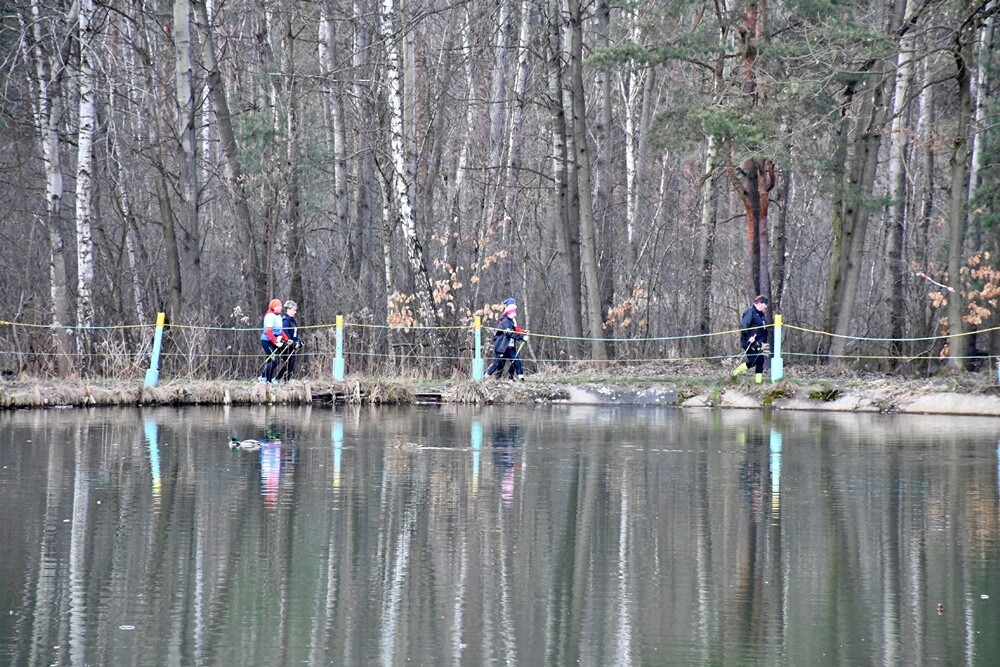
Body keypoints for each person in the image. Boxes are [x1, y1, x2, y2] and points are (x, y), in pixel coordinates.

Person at [485, 298, 528, 380]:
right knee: (497, 364)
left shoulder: (512, 321)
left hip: (510, 348)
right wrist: (522, 337)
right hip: (502, 347)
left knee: (516, 361)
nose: (515, 314)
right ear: (509, 312)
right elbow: (510, 333)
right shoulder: (505, 321)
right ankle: (486, 377)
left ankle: (520, 377)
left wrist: (523, 331)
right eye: (514, 312)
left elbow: (514, 329)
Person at [731, 295, 770, 384]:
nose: (766, 306)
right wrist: (749, 338)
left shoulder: (761, 314)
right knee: (753, 361)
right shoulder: (750, 312)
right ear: (759, 303)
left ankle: (758, 382)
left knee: (760, 361)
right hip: (749, 342)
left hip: (760, 343)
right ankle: (734, 373)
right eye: (765, 304)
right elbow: (744, 327)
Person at [259, 299, 290, 384]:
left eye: (280, 306)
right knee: (274, 360)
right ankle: (263, 377)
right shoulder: (270, 316)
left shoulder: (278, 316)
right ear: (273, 307)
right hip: (267, 341)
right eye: (278, 306)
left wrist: (287, 339)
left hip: (274, 340)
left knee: (272, 361)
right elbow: (269, 331)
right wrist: (276, 342)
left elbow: (280, 331)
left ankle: (267, 380)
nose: (281, 307)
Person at [274, 300, 301, 383]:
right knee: (288, 363)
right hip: (286, 345)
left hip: (292, 344)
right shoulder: (285, 321)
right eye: (293, 310)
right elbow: (286, 334)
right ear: (288, 310)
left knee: (291, 364)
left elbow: (294, 334)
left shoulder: (293, 321)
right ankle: (278, 379)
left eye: (295, 310)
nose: (295, 312)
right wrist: (292, 342)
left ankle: (286, 380)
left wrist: (299, 341)